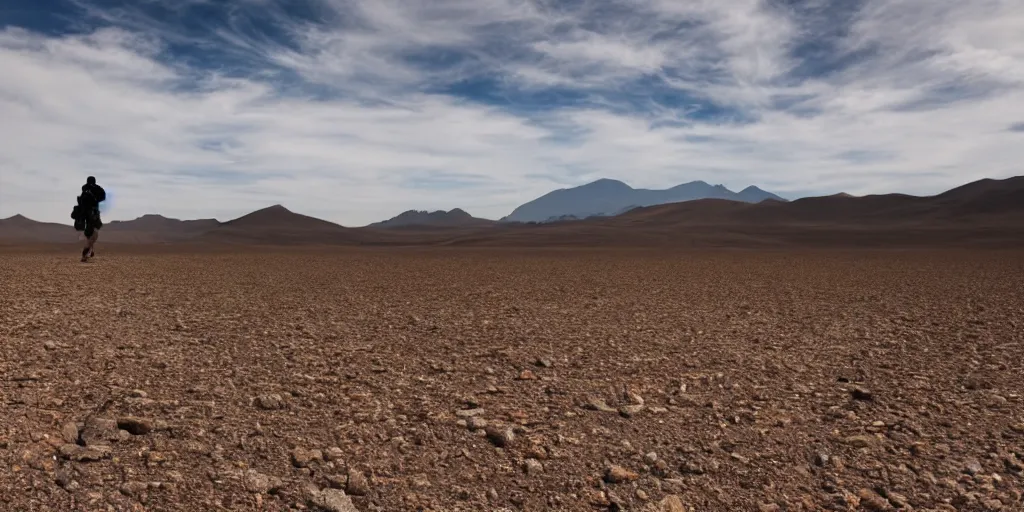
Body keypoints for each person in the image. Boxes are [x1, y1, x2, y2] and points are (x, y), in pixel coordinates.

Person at [77, 176, 106, 262]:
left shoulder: (86, 189)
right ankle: (85, 254)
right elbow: (102, 197)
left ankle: (89, 250)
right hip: (92, 214)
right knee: (92, 234)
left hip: (89, 214)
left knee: (91, 233)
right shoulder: (91, 189)